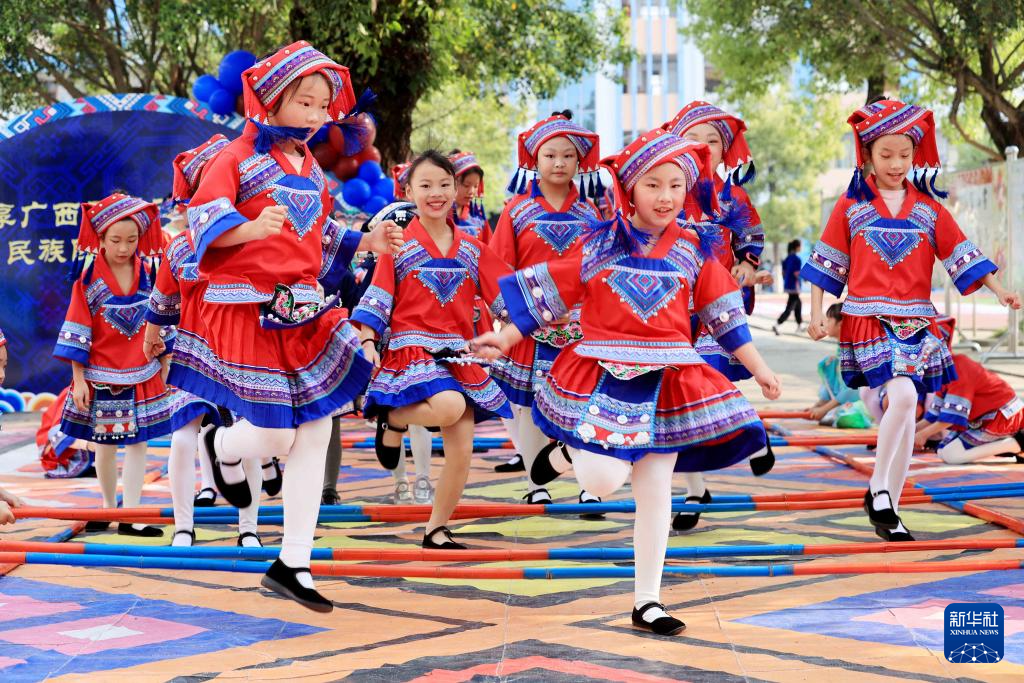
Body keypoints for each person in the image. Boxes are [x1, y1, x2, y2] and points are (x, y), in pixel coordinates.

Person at [473, 130, 781, 635]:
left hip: (670, 380)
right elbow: (553, 293)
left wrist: (761, 368)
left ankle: (647, 600)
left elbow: (723, 314)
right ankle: (567, 455)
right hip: (602, 374)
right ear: (630, 189)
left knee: (655, 489)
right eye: (653, 185)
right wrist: (505, 338)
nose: (666, 197)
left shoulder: (693, 248)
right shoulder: (600, 243)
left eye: (676, 186)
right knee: (601, 481)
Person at [167, 41, 403, 611]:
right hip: (246, 306)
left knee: (317, 427)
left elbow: (321, 233)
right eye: (306, 102)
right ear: (270, 100)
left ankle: (294, 561)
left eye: (323, 105)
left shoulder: (310, 167)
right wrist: (249, 230)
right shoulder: (233, 157)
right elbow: (201, 222)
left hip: (304, 308)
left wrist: (368, 240)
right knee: (274, 436)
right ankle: (221, 445)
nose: (317, 115)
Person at [802, 98, 1021, 542]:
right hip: (866, 317)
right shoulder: (851, 206)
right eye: (886, 154)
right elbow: (826, 262)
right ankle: (879, 490)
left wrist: (999, 290)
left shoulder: (928, 209)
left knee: (901, 409)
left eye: (905, 154)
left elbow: (962, 252)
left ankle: (889, 505)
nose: (896, 164)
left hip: (916, 324)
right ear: (867, 154)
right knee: (902, 397)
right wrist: (816, 313)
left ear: (915, 154)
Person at [352, 150, 512, 549]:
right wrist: (368, 340)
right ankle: (390, 416)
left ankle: (436, 529)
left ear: (456, 189)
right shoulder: (397, 245)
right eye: (425, 185)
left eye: (444, 184)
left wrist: (519, 324)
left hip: (459, 353)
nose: (436, 193)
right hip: (412, 350)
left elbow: (506, 299)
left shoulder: (473, 248)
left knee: (462, 450)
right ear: (408, 192)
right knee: (449, 406)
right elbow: (378, 297)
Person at [145, 134, 266, 548]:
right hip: (194, 353)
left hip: (243, 350)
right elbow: (163, 297)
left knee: (249, 435)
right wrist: (151, 337)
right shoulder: (180, 247)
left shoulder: (252, 238)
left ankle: (248, 528)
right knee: (183, 438)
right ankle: (184, 526)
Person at [489, 111, 606, 512]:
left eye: (568, 156)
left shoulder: (592, 213)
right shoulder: (516, 210)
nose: (559, 163)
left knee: (585, 404)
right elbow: (499, 267)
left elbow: (599, 268)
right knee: (528, 406)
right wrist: (511, 315)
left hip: (579, 325)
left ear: (579, 162)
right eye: (550, 155)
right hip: (530, 324)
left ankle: (590, 483)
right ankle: (534, 481)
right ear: (534, 160)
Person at [54, 192, 174, 538]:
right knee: (104, 446)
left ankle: (130, 514)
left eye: (132, 240)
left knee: (138, 445)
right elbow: (78, 329)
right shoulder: (88, 279)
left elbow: (161, 318)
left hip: (143, 371)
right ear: (101, 238)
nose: (124, 247)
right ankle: (108, 507)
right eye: (116, 240)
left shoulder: (149, 273)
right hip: (101, 374)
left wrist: (167, 362)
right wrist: (79, 380)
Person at [916, 319, 1024, 465]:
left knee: (951, 455)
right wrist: (911, 432)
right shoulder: (944, 370)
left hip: (1002, 416)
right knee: (942, 450)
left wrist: (922, 435)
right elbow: (934, 415)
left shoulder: (958, 369)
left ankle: (1017, 444)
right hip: (985, 418)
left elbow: (951, 418)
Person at [806, 304, 872, 428]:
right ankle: (828, 407)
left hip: (861, 402)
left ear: (841, 324)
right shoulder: (842, 349)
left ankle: (834, 411)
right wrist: (819, 406)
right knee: (828, 364)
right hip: (845, 400)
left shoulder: (856, 348)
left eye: (829, 320)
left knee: (848, 417)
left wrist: (824, 409)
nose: (825, 323)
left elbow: (852, 389)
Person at [773, 240, 803, 334]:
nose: (801, 248)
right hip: (794, 286)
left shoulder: (786, 259)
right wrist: (805, 278)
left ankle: (800, 325)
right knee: (790, 307)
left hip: (788, 285)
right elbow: (797, 273)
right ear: (797, 247)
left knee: (798, 304)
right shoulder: (797, 259)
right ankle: (777, 324)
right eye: (800, 246)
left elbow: (783, 273)